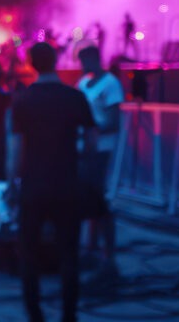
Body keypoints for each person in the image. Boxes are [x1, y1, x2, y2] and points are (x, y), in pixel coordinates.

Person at [13, 42, 95, 322]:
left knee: (29, 253)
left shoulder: (23, 100)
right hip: (67, 184)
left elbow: (15, 148)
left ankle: (35, 315)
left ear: (31, 64)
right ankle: (68, 316)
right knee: (69, 253)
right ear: (56, 61)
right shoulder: (74, 97)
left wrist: (13, 181)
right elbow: (92, 141)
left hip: (33, 186)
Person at [75, 45, 122, 278]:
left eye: (85, 61)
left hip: (102, 150)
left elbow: (114, 121)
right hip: (86, 149)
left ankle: (107, 256)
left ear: (95, 59)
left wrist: (91, 129)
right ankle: (91, 250)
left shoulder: (111, 84)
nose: (82, 66)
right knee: (88, 199)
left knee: (101, 202)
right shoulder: (83, 84)